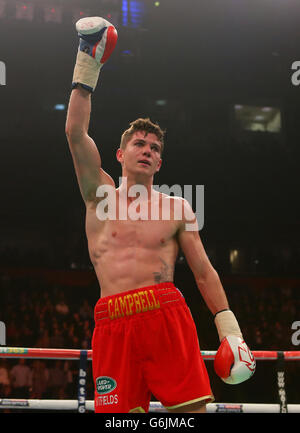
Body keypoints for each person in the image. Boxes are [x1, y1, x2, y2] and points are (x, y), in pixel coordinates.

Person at [65, 16, 256, 413]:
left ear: (159, 163)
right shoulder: (97, 195)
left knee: (188, 415)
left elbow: (204, 271)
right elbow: (74, 133)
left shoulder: (177, 207)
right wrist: (88, 63)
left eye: (154, 147)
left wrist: (230, 332)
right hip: (112, 321)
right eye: (139, 143)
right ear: (120, 155)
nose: (147, 150)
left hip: (166, 314)